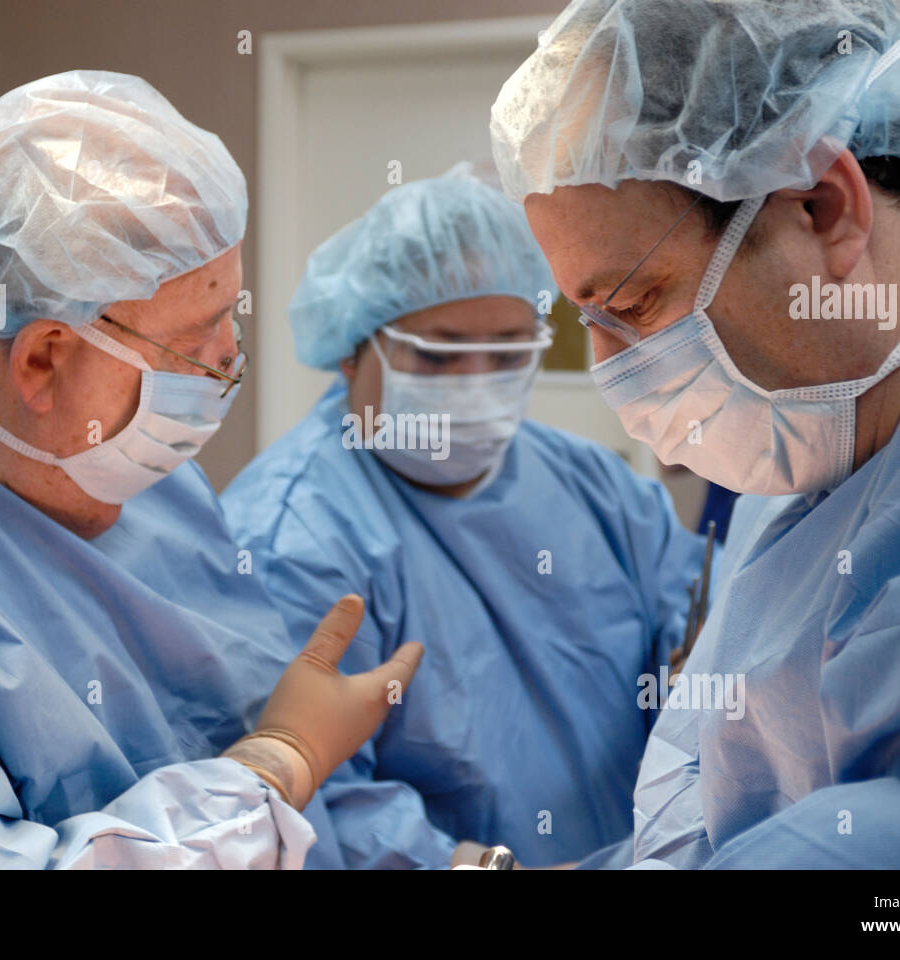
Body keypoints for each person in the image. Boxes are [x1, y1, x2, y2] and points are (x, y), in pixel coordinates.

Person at [0, 70, 427, 869]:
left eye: (229, 329)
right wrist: (273, 766)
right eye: (196, 342)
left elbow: (249, 742)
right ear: (42, 358)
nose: (226, 369)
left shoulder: (125, 465)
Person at [492, 0, 900, 867]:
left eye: (634, 305)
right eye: (583, 320)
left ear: (824, 206)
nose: (613, 374)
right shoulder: (825, 428)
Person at [221, 170, 710, 867]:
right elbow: (300, 801)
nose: (475, 381)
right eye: (438, 353)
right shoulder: (290, 537)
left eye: (508, 353)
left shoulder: (593, 484)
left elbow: (697, 638)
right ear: (354, 345)